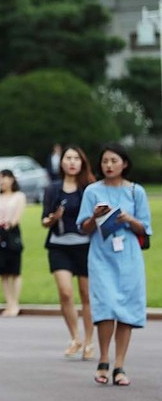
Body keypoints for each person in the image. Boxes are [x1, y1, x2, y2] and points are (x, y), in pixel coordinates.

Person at [78, 145, 152, 386]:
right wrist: (94, 216)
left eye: (114, 160)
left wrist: (129, 219)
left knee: (126, 309)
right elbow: (83, 228)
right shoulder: (92, 191)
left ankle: (120, 364)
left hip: (128, 257)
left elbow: (145, 228)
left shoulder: (135, 192)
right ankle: (103, 359)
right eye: (105, 161)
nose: (108, 165)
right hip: (101, 255)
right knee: (106, 306)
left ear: (124, 164)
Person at [41, 146, 96, 359]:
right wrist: (53, 218)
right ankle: (75, 337)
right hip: (59, 244)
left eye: (76, 158)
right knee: (65, 292)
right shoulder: (53, 188)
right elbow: (45, 220)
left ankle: (90, 341)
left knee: (86, 294)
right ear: (61, 162)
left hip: (84, 245)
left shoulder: (89, 188)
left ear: (82, 162)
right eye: (68, 158)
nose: (72, 162)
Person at [0, 170, 26, 317]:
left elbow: (17, 215)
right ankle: (8, 303)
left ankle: (15, 303)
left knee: (14, 271)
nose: (2, 182)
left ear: (11, 180)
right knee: (3, 273)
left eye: (5, 179)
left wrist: (9, 224)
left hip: (12, 232)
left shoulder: (19, 196)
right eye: (0, 179)